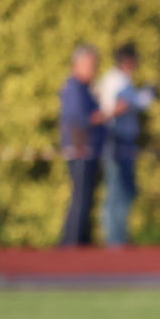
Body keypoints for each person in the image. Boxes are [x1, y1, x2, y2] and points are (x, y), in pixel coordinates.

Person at [98, 43, 153, 248]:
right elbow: (125, 105)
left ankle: (118, 236)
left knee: (121, 188)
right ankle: (115, 239)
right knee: (118, 189)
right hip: (117, 139)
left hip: (121, 139)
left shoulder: (115, 79)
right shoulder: (118, 81)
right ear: (128, 61)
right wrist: (145, 96)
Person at [56, 42, 106, 247]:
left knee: (86, 200)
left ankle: (82, 242)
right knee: (80, 200)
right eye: (91, 65)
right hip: (81, 150)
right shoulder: (75, 89)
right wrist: (107, 114)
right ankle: (72, 244)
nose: (94, 70)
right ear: (77, 65)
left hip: (89, 151)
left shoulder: (86, 89)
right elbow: (79, 120)